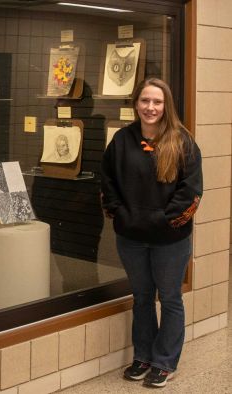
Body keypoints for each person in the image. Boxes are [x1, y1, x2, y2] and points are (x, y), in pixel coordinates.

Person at [101, 78, 203, 388]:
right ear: (136, 104)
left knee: (170, 299)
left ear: (166, 105)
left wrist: (161, 221)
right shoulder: (121, 140)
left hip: (171, 240)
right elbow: (108, 183)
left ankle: (164, 361)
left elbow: (191, 192)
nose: (150, 107)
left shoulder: (183, 142)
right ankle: (143, 356)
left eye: (157, 102)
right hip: (131, 238)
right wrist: (122, 215)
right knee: (142, 298)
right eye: (145, 101)